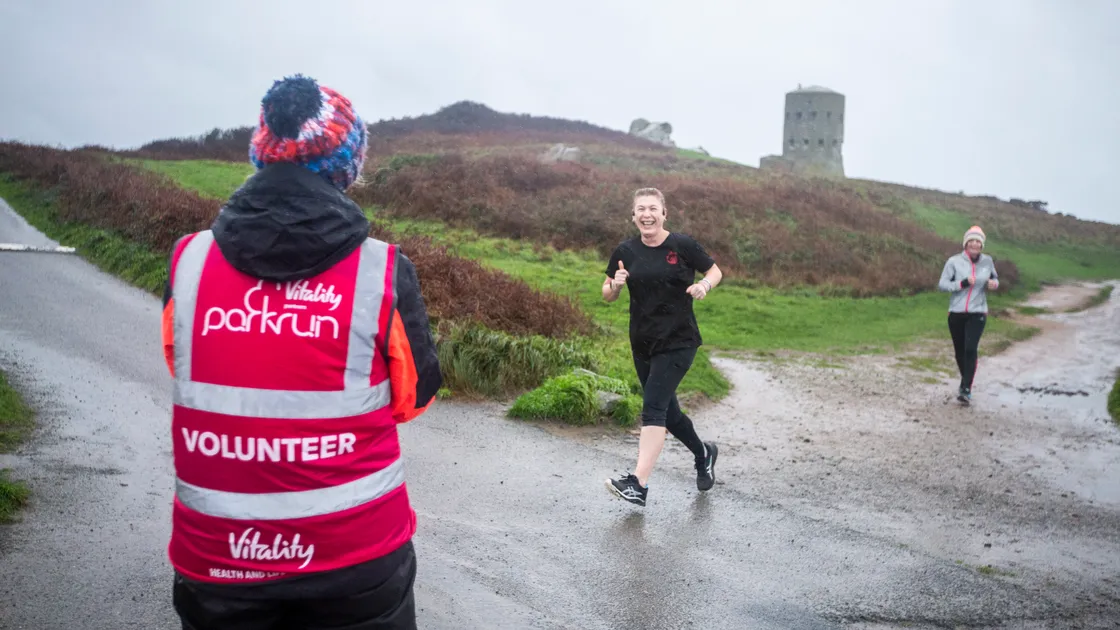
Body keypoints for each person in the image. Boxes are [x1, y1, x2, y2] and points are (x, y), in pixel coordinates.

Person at [159, 74, 441, 630]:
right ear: (347, 166)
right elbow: (412, 399)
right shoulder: (382, 271)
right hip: (356, 561)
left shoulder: (187, 260)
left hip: (217, 561)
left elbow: (184, 365)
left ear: (260, 155)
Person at [602, 187, 723, 507]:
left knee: (652, 407)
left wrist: (703, 285)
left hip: (679, 340)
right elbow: (606, 291)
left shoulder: (682, 245)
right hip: (642, 342)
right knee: (669, 413)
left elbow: (715, 269)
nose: (647, 214)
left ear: (664, 213)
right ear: (633, 216)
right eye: (640, 209)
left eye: (653, 208)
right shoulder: (625, 250)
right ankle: (703, 453)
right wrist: (614, 286)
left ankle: (638, 484)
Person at [938, 225, 999, 406]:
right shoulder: (954, 262)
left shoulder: (987, 261)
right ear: (966, 244)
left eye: (978, 241)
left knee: (970, 349)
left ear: (981, 245)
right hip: (956, 312)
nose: (974, 244)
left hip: (978, 312)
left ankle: (965, 388)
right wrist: (962, 283)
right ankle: (966, 382)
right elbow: (942, 285)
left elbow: (996, 279)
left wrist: (993, 284)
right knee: (959, 352)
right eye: (971, 241)